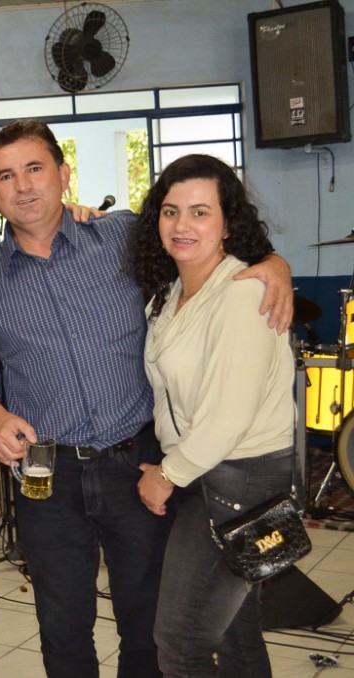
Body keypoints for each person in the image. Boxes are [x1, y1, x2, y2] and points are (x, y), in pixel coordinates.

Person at [0, 120, 293, 678]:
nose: (24, 186)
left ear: (64, 174)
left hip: (137, 463)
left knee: (150, 626)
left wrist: (275, 267)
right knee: (62, 627)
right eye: (5, 176)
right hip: (46, 474)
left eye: (35, 168)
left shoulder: (122, 238)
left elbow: (210, 242)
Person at [128, 154, 294, 677]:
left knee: (180, 641)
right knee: (238, 635)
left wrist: (167, 475)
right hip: (202, 470)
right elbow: (165, 391)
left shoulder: (243, 293)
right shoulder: (169, 295)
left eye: (200, 212)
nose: (182, 224)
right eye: (171, 211)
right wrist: (174, 463)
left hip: (243, 476)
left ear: (226, 224)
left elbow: (229, 416)